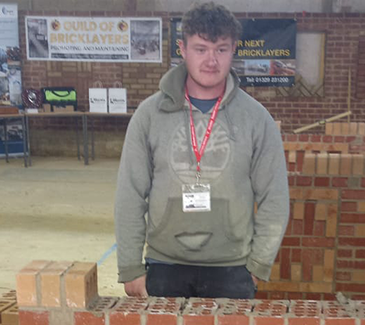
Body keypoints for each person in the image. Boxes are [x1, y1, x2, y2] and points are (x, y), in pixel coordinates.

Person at [114, 2, 289, 299]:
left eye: (221, 49)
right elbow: (130, 194)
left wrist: (258, 264)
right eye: (201, 49)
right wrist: (130, 266)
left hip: (232, 268)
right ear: (182, 49)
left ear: (234, 49)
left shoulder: (257, 119)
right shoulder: (149, 115)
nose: (211, 60)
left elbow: (275, 196)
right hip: (164, 264)